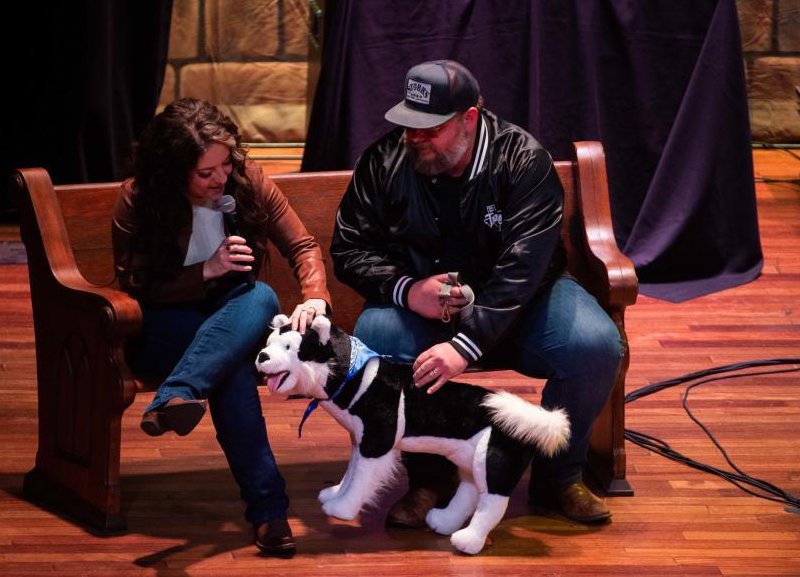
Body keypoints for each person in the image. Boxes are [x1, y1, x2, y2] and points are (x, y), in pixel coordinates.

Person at [330, 60, 623, 526]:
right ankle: (429, 479)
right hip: (424, 310)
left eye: (430, 129)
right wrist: (407, 290)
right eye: (408, 125)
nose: (414, 138)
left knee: (595, 345)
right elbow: (348, 247)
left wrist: (465, 345)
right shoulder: (383, 161)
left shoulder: (523, 160)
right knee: (377, 333)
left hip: (524, 301)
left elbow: (524, 268)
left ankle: (558, 478)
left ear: (470, 118)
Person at [112, 98, 331, 556]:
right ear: (172, 170)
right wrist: (204, 272)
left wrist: (314, 295)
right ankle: (269, 513)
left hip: (231, 316)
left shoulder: (249, 183)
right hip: (164, 325)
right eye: (204, 172)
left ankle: (177, 394)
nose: (220, 179)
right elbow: (134, 281)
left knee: (262, 297)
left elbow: (303, 245)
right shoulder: (140, 197)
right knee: (230, 366)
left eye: (225, 165)